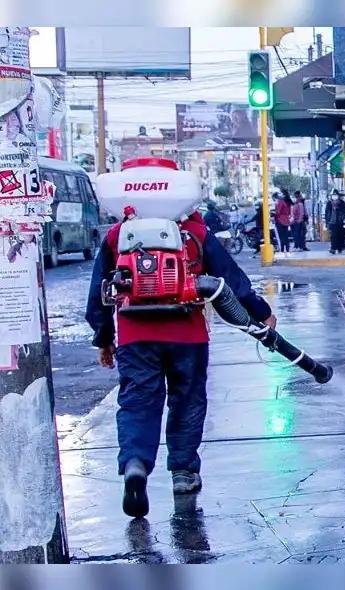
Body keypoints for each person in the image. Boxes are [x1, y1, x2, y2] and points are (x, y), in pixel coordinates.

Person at [85, 208, 277, 518]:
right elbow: (231, 279)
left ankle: (135, 463)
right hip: (188, 333)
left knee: (137, 402)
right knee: (187, 401)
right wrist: (261, 312)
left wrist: (104, 336)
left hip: (136, 334)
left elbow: (100, 292)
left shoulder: (118, 234)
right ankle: (184, 472)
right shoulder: (195, 231)